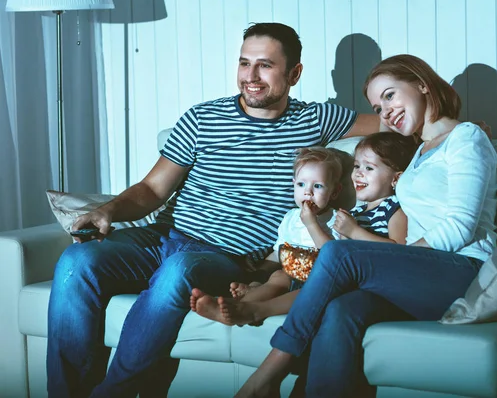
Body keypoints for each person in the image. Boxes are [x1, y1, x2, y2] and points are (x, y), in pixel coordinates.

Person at [46, 22, 382, 398]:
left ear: (294, 74)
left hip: (225, 258)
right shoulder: (202, 118)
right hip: (163, 238)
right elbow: (153, 189)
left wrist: (434, 112)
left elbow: (396, 120)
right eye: (244, 63)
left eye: (265, 66)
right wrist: (109, 211)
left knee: (178, 270)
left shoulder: (315, 119)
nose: (250, 77)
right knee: (77, 260)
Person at [236, 54, 497, 398]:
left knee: (339, 254)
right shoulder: (417, 153)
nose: (385, 111)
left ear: (422, 83)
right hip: (419, 277)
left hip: (464, 270)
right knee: (341, 309)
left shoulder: (466, 137)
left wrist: (400, 256)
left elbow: (461, 227)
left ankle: (264, 377)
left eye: (390, 95)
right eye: (377, 107)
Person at [190, 132, 416, 326]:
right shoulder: (354, 213)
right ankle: (235, 305)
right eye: (357, 166)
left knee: (307, 284)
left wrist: (352, 231)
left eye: (368, 167)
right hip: (300, 270)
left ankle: (252, 310)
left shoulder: (387, 211)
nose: (358, 173)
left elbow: (397, 252)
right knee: (279, 275)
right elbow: (280, 251)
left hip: (335, 275)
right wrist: (257, 273)